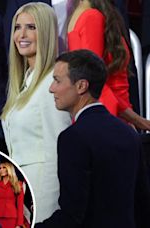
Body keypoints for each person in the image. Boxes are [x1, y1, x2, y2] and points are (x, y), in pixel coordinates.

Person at [36, 49, 148, 227]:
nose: (51, 89)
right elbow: (142, 206)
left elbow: (72, 216)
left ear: (81, 86)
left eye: (57, 81)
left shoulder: (73, 138)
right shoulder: (129, 133)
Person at [0, 2, 70, 222]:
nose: (22, 34)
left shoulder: (51, 83)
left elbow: (57, 151)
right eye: (17, 27)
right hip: (22, 193)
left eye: (31, 27)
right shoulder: (25, 83)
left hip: (42, 194)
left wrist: (48, 208)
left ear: (46, 32)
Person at [67, 0, 150, 130]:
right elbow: (95, 80)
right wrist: (138, 120)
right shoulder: (91, 17)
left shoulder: (88, 13)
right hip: (109, 121)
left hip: (112, 118)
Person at [0, 162, 24, 228]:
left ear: (9, 169)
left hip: (11, 218)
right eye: (0, 168)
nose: (1, 170)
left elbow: (20, 205)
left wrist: (19, 224)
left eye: (4, 167)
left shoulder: (18, 185)